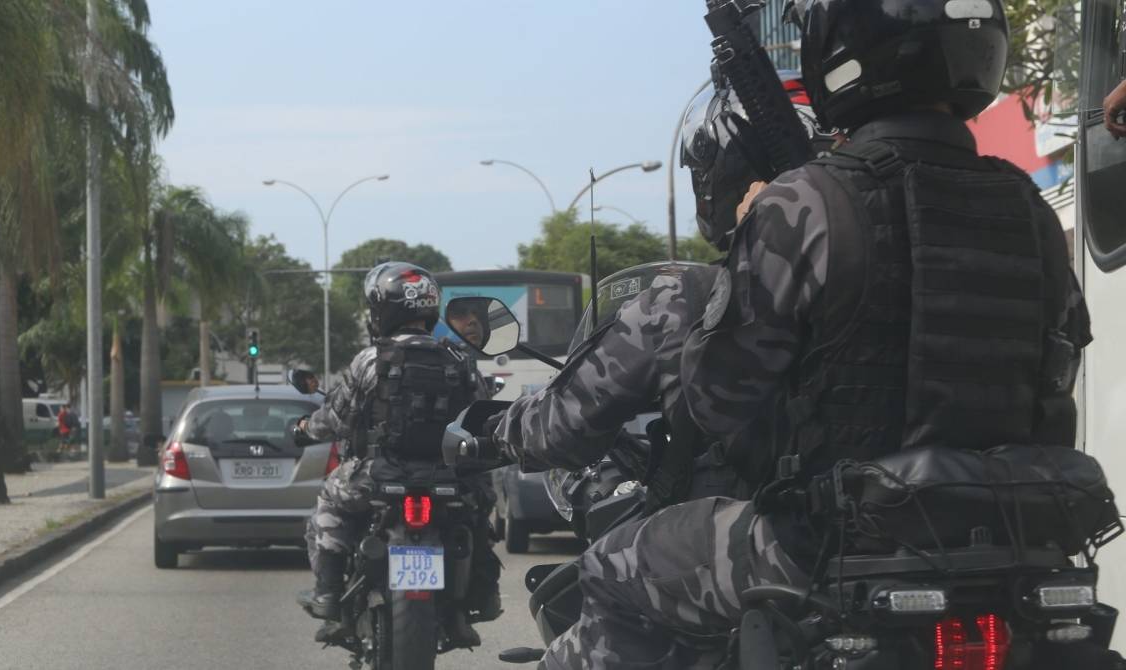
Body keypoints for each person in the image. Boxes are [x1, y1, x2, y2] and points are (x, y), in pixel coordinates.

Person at [531, 1, 1092, 667]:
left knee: (612, 571)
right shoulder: (1024, 204)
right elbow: (1057, 377)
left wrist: (745, 255)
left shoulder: (806, 202)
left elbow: (716, 400)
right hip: (1017, 537)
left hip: (835, 543)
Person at [486, 76, 826, 515]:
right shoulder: (889, 282)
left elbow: (563, 426)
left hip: (763, 545)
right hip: (907, 531)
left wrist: (497, 429)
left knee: (601, 573)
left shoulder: (685, 302)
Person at [300, 262, 499, 647]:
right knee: (480, 512)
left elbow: (336, 418)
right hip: (449, 481)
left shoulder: (370, 361)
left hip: (376, 477)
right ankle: (478, 598)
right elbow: (483, 420)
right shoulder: (460, 361)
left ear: (381, 310)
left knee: (329, 502)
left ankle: (327, 595)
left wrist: (305, 429)